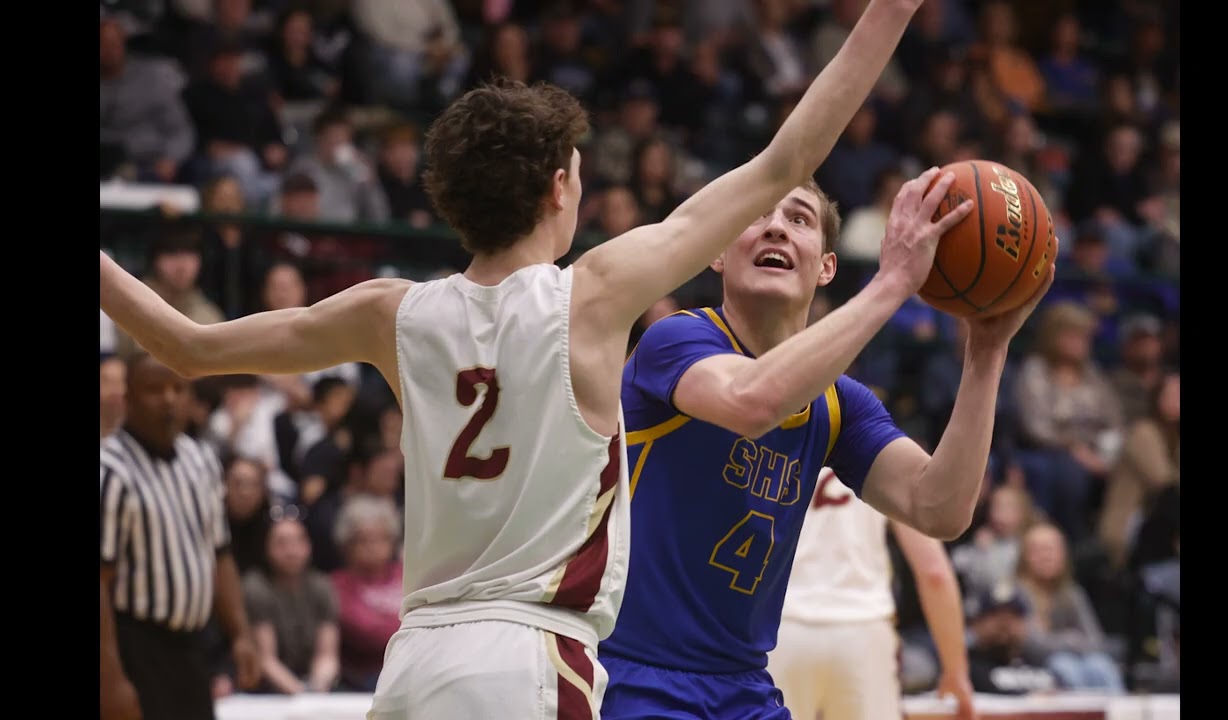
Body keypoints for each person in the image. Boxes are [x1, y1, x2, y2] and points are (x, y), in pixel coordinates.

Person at [98, 2, 924, 712]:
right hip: (532, 655)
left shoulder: (390, 312)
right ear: (562, 189)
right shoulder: (593, 295)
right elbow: (783, 161)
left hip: (415, 657)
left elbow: (186, 345)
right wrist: (889, 13)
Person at [598, 162, 1054, 717]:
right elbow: (753, 402)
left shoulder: (840, 404)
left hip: (743, 684)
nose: (776, 228)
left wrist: (986, 352)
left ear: (825, 267)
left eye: (799, 219)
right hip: (636, 674)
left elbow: (939, 508)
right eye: (758, 215)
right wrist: (891, 284)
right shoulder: (676, 340)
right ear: (717, 251)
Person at [100, 354, 261, 720]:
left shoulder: (201, 460)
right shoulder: (109, 470)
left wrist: (241, 634)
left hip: (192, 646)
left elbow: (220, 554)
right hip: (133, 646)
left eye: (178, 388)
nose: (169, 399)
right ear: (127, 398)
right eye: (154, 390)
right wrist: (109, 681)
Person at [770, 467, 977, 720]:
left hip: (782, 626)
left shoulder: (771, 439)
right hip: (863, 629)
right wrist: (955, 670)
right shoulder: (882, 448)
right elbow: (934, 572)